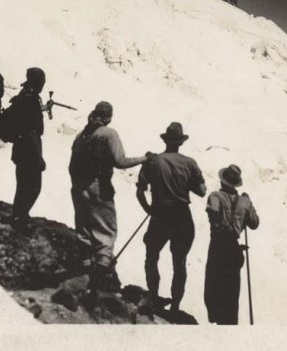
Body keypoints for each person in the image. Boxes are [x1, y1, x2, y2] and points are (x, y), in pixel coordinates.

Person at [68, 101, 148, 291]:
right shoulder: (109, 134)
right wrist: (145, 158)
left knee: (85, 229)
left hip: (79, 187)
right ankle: (101, 277)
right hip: (99, 187)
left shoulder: (82, 135)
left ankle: (85, 270)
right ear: (109, 117)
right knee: (106, 230)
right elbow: (120, 161)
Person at [136, 122, 206, 316]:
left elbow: (140, 192)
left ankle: (153, 297)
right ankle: (175, 307)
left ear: (165, 140)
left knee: (152, 257)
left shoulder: (153, 161)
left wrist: (149, 210)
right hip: (182, 216)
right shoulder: (190, 163)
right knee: (180, 263)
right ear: (181, 142)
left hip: (160, 215)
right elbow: (201, 191)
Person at [204, 164, 260, 325]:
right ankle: (229, 323)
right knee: (232, 291)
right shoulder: (244, 201)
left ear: (222, 182)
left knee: (213, 286)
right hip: (234, 250)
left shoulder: (215, 196)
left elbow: (214, 215)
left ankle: (215, 318)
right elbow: (254, 223)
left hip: (217, 247)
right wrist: (249, 204)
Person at [3, 67, 52, 226]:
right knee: (33, 186)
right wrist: (38, 157)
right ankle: (20, 217)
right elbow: (30, 128)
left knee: (23, 184)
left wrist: (44, 107)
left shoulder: (26, 96)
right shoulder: (30, 99)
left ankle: (19, 215)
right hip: (29, 149)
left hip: (21, 148)